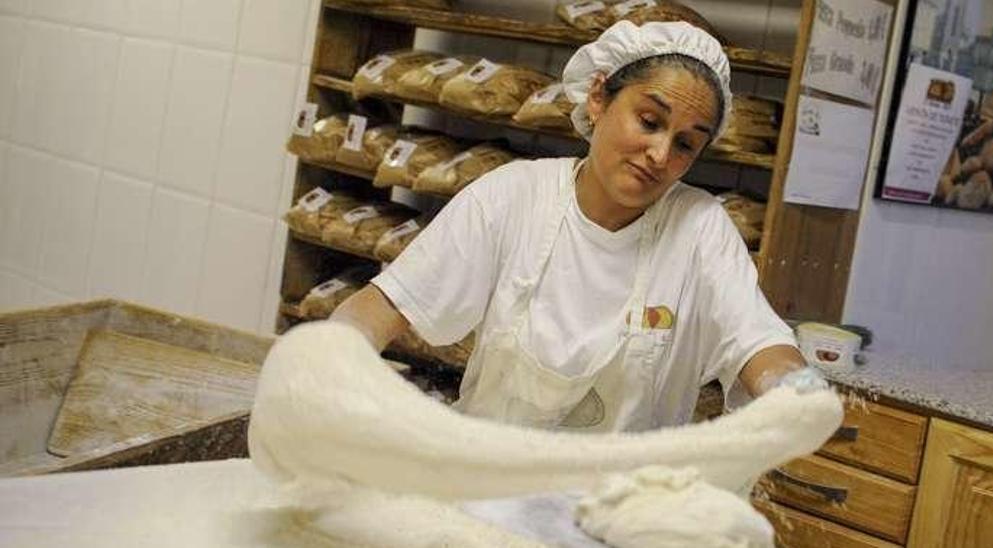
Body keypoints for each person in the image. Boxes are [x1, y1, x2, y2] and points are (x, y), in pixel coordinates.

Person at [333, 20, 826, 433]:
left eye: (685, 145)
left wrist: (799, 392)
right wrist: (325, 359)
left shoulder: (699, 230)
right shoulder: (514, 196)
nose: (660, 154)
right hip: (487, 489)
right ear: (598, 97)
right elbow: (385, 306)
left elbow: (759, 342)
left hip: (620, 513)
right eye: (650, 121)